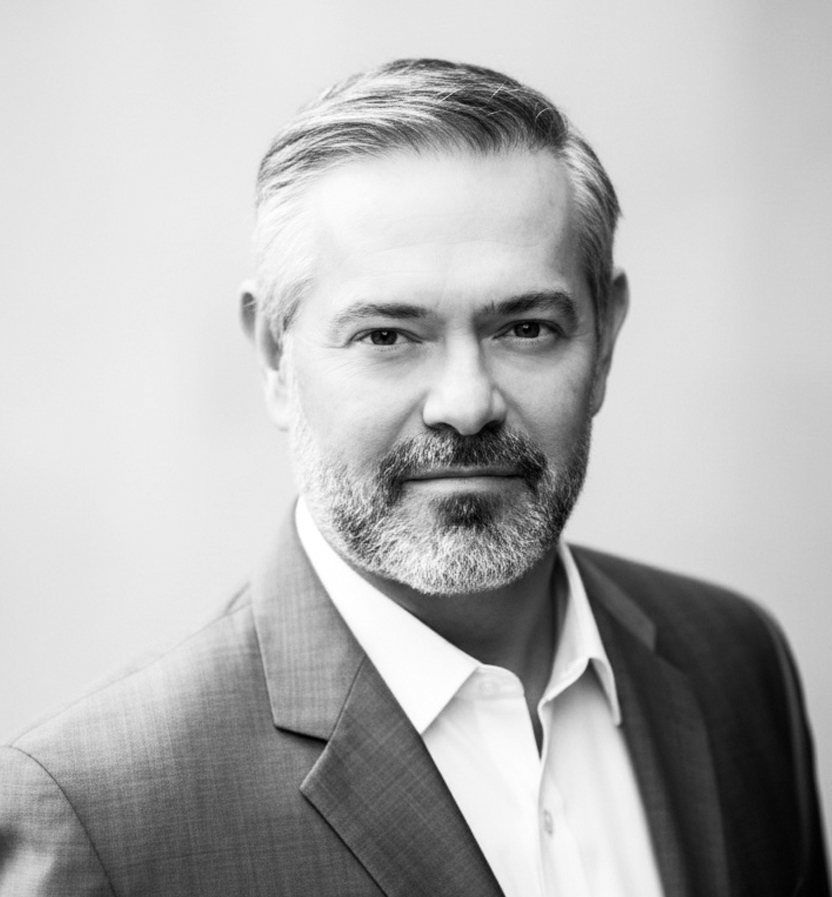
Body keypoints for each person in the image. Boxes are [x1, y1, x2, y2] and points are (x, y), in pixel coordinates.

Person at [0, 58, 828, 897]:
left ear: (604, 339)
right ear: (275, 356)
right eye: (388, 336)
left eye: (526, 327)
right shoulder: (99, 817)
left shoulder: (735, 661)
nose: (465, 405)